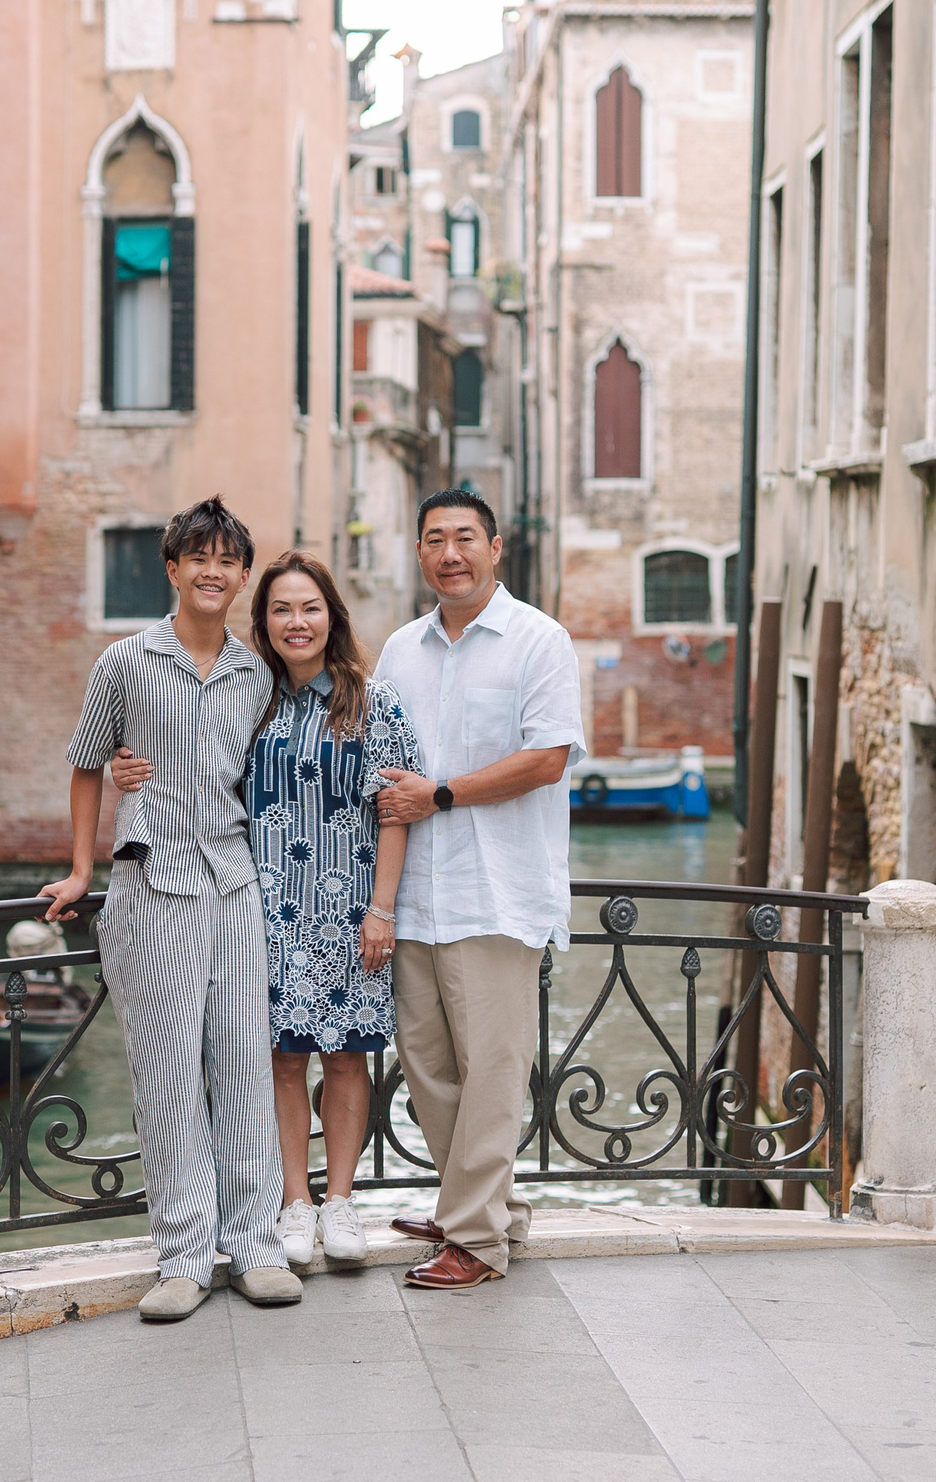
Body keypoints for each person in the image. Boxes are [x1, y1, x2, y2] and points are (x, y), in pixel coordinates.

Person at [110, 553, 421, 1270]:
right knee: (278, 1060)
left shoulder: (374, 702)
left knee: (346, 1057)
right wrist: (128, 767)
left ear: (332, 616)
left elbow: (396, 811)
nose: (296, 622)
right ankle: (293, 1201)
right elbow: (188, 757)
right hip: (261, 907)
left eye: (310, 608)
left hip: (349, 911)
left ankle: (339, 1200)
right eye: (281, 609)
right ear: (265, 620)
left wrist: (381, 910)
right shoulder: (253, 695)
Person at [39, 497, 303, 1322]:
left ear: (243, 574)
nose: (212, 571)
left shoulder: (258, 674)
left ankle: (256, 1245)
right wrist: (81, 869)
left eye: (227, 559)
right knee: (166, 1075)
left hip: (237, 885)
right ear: (173, 567)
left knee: (244, 1066)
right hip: (153, 885)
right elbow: (87, 763)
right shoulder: (124, 662)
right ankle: (185, 1256)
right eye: (199, 557)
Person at [372, 488, 584, 1289]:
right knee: (429, 1068)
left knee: (493, 1072)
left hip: (499, 892)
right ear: (419, 553)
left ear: (495, 548)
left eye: (465, 537)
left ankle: (475, 1239)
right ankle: (485, 1206)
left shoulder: (539, 639)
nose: (450, 553)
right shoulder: (400, 649)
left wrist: (442, 793)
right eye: (435, 539)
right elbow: (374, 754)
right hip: (414, 895)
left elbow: (548, 759)